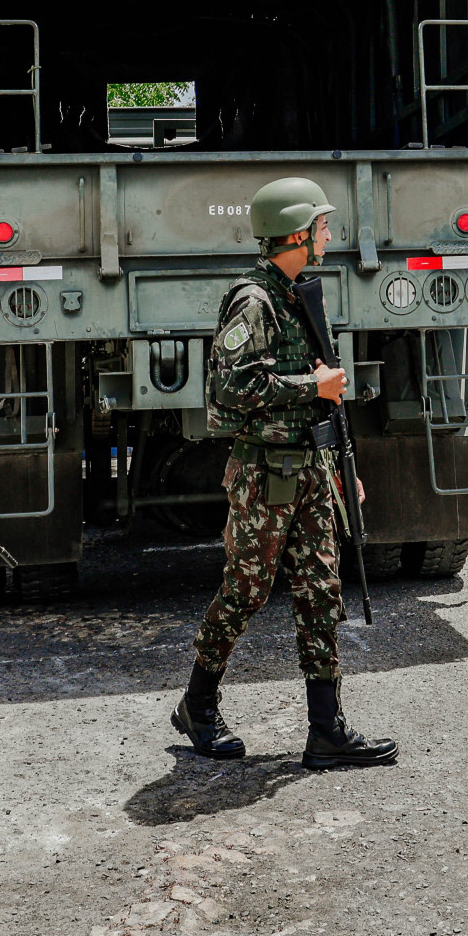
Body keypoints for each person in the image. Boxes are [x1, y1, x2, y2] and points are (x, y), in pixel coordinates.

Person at [171, 177, 397, 772]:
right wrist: (311, 385)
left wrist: (344, 465)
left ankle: (326, 732)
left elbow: (327, 399)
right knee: (245, 592)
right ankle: (197, 704)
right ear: (296, 233)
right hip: (265, 474)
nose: (328, 233)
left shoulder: (300, 295)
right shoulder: (256, 301)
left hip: (312, 468)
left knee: (322, 593)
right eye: (321, 225)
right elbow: (227, 391)